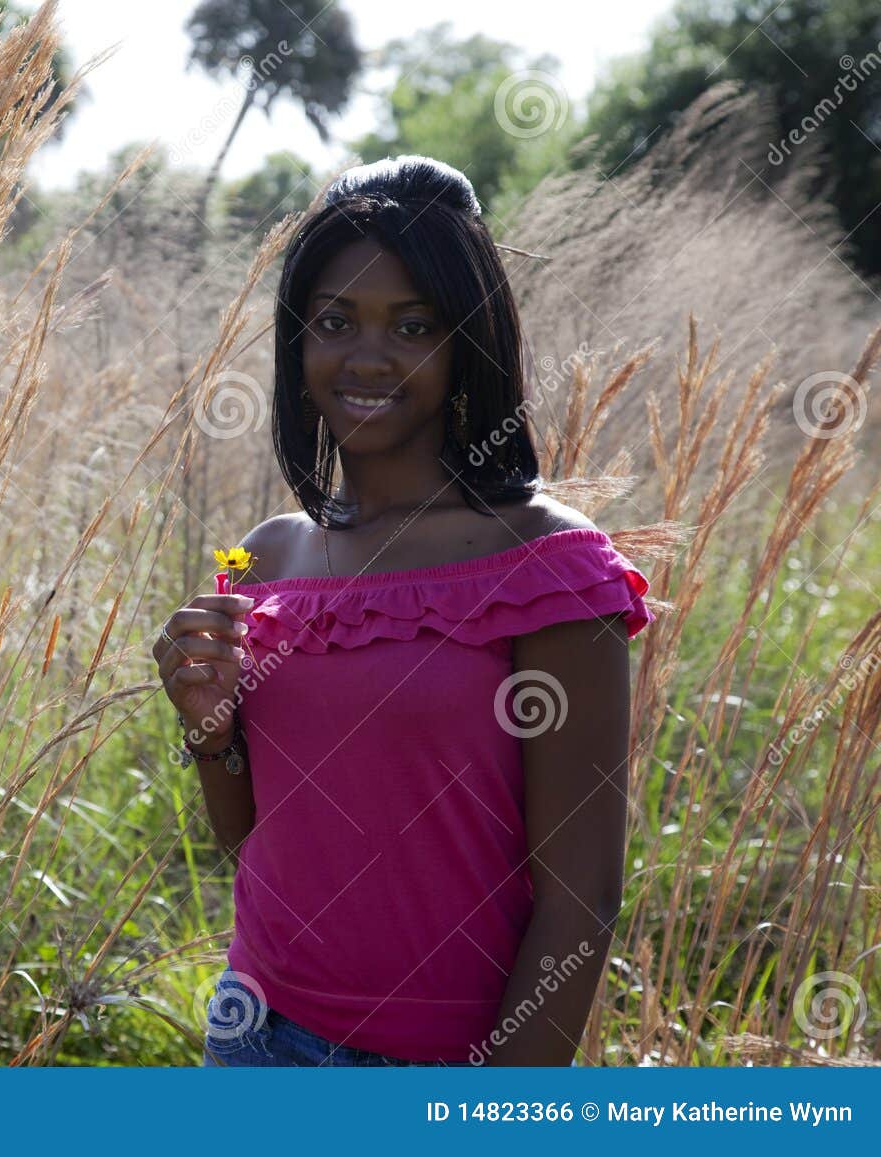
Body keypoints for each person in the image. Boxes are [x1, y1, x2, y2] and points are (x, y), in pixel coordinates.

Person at [153, 155, 654, 1067]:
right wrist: (210, 725)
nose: (368, 357)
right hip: (251, 1037)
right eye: (335, 322)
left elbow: (583, 896)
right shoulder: (259, 556)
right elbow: (247, 837)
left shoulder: (549, 563)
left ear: (468, 339)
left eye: (412, 324)